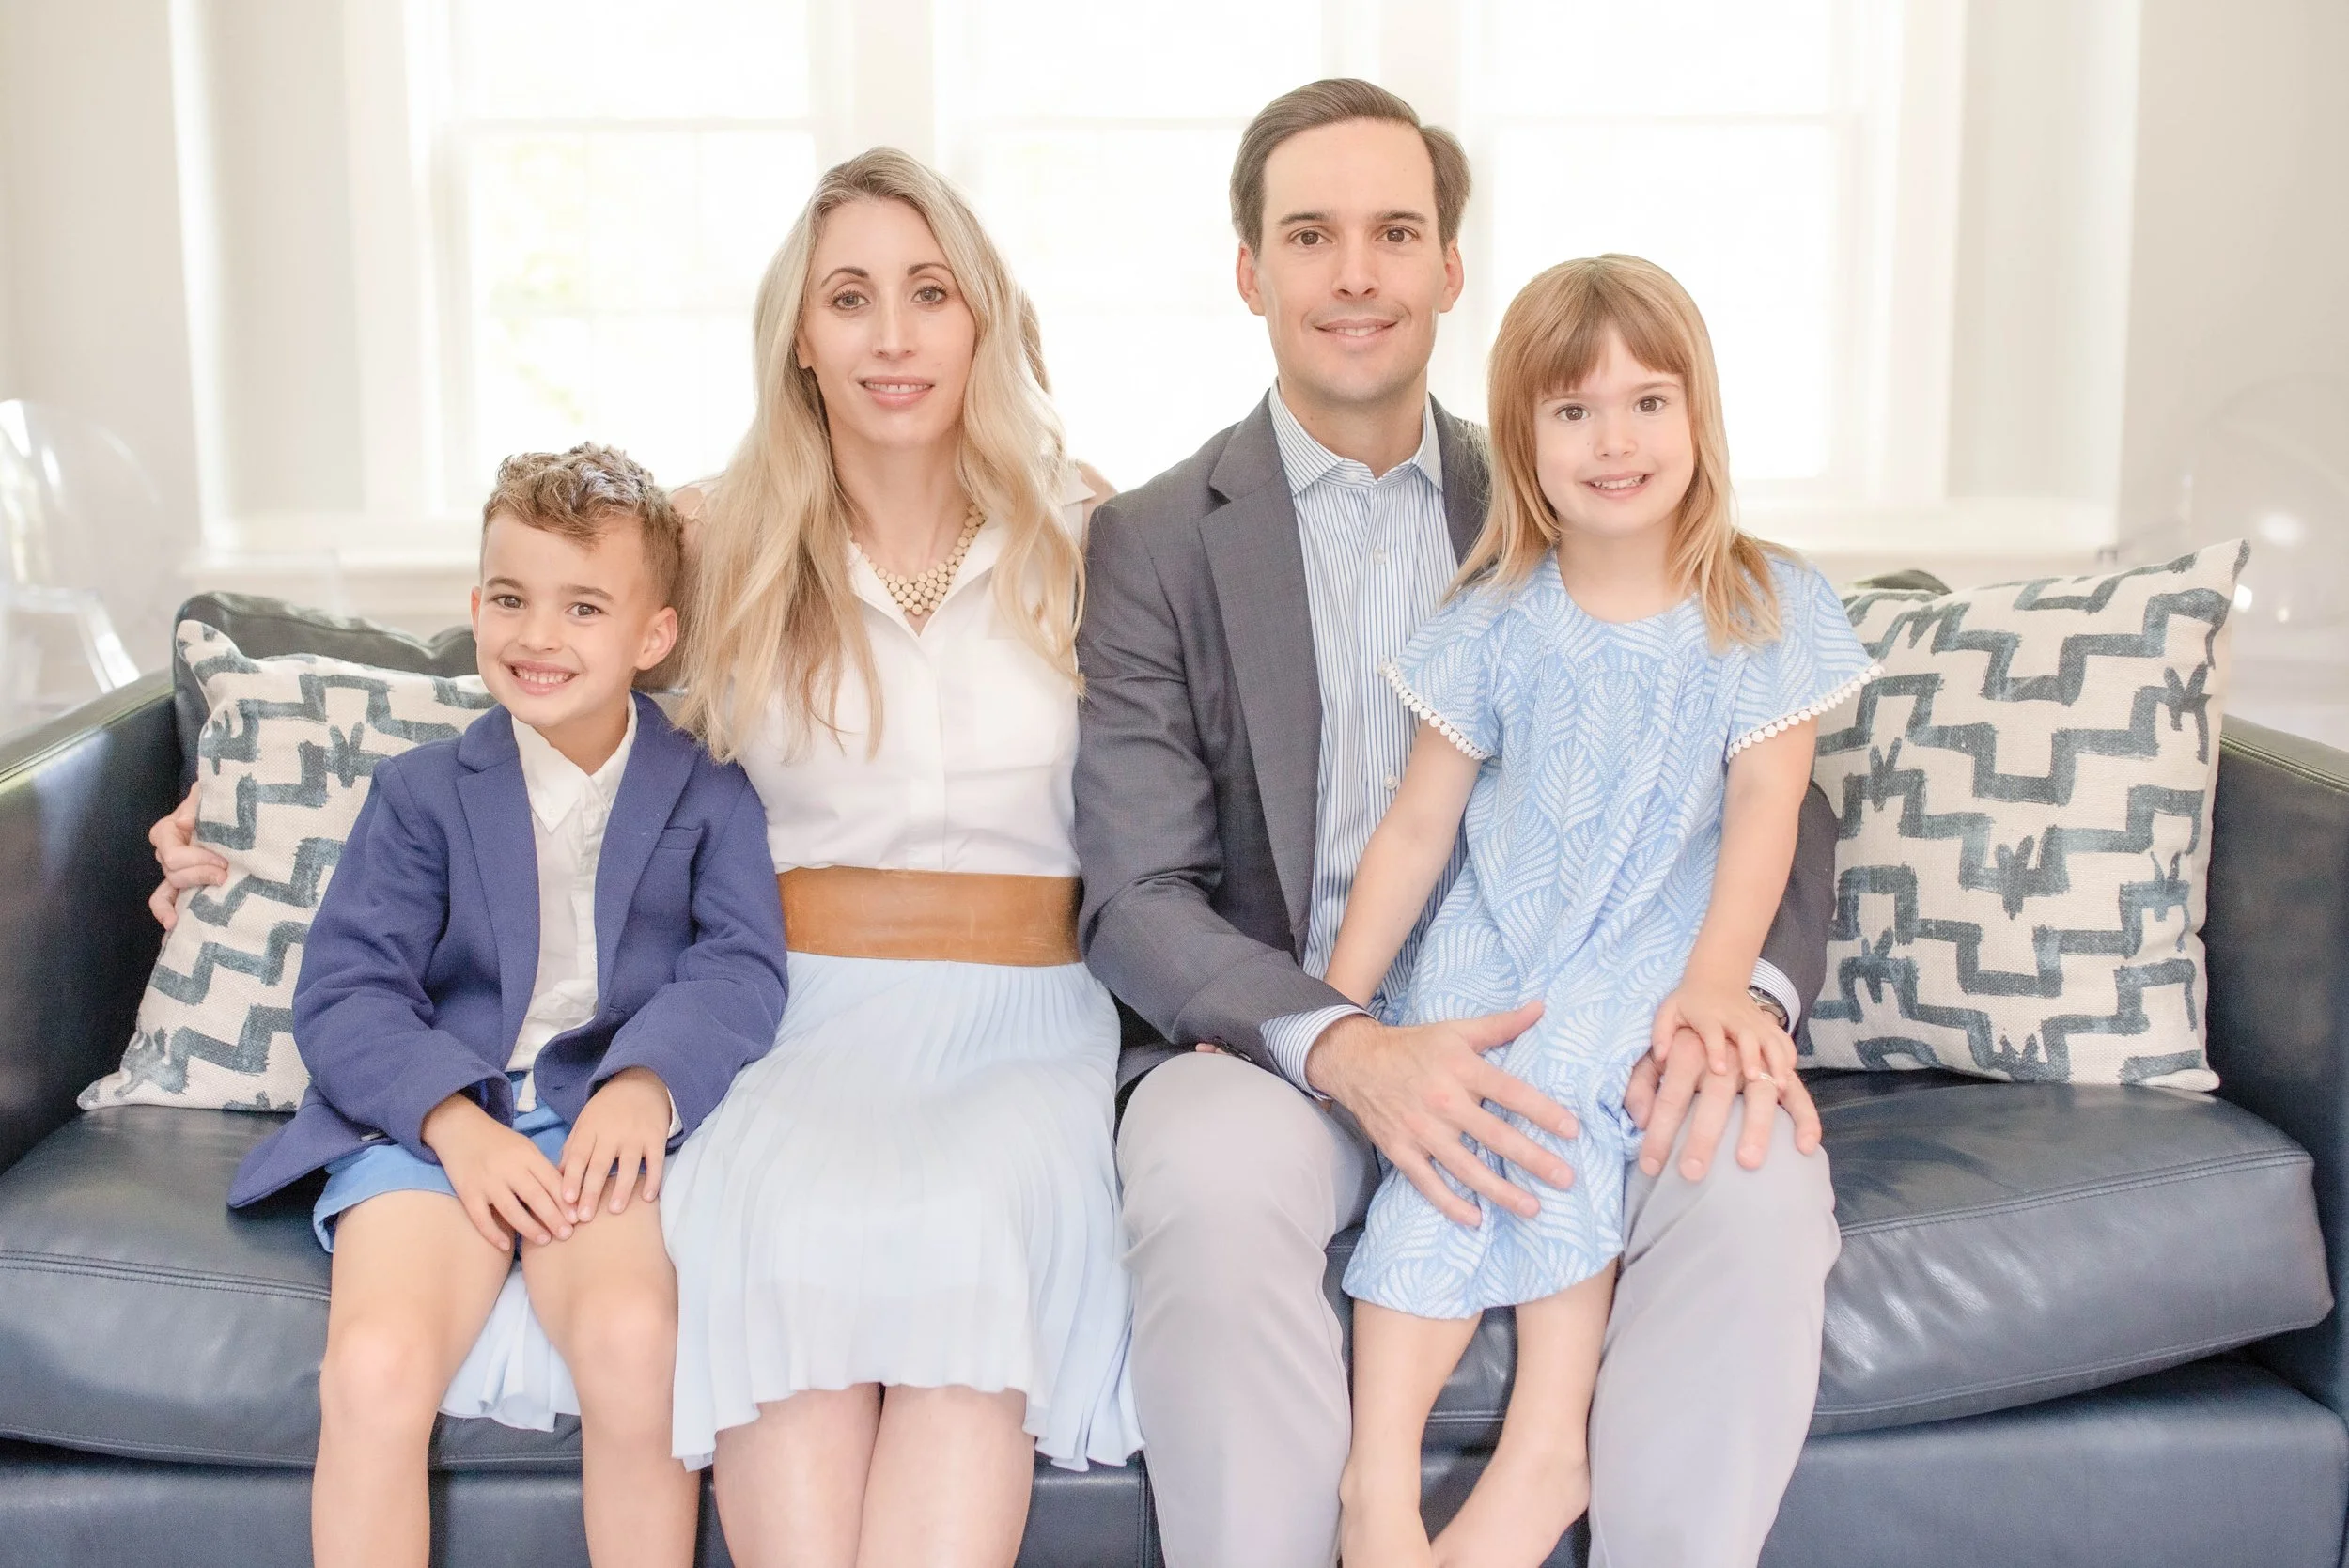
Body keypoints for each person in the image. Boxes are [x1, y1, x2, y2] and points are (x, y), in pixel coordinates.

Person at [1074, 80, 1846, 1567]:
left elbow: (1774, 790)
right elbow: (1135, 891)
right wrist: (1341, 1041)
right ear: (1252, 273)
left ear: (1449, 268)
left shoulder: (1576, 469)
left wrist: (1737, 994)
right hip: (1294, 1032)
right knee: (1209, 1184)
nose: (1354, 272)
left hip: (1593, 1002)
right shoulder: (1157, 541)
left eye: (1394, 232)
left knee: (1749, 1166)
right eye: (1310, 235)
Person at [1326, 256, 1875, 1568]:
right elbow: (1417, 827)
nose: (1614, 440)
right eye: (1572, 413)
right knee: (1451, 1125)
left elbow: (1766, 809)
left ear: (1700, 420)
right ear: (1522, 441)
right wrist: (1334, 1012)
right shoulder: (1493, 615)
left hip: (1652, 937)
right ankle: (1378, 1487)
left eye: (1647, 402)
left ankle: (1546, 1443)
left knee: (1568, 1085)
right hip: (1503, 932)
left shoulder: (1763, 604)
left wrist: (1712, 984)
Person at [655, 147, 1139, 1568]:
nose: (893, 334)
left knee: (964, 1223)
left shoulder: (1091, 533)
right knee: (779, 1223)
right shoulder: (707, 540)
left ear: (980, 317)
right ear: (800, 340)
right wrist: (242, 825)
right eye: (850, 298)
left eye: (930, 293)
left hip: (1028, 1021)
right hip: (786, 1017)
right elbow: (528, 689)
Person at [223, 443, 790, 1568]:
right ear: (475, 605)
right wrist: (452, 1124)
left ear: (653, 637)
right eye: (512, 600)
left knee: (636, 1346)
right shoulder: (423, 794)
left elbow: (738, 967)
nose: (539, 636)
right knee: (374, 1369)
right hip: (432, 1129)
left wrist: (644, 1082)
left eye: (584, 607)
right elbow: (346, 992)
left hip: (598, 1131)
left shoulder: (709, 789)